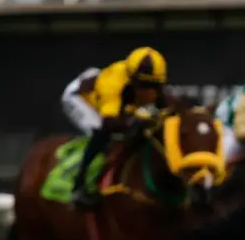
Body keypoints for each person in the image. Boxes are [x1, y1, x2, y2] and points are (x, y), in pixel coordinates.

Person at [62, 46, 169, 209]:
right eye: (143, 85)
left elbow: (165, 108)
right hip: (79, 97)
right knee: (100, 132)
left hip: (108, 89)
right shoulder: (113, 84)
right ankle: (79, 185)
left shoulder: (149, 80)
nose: (148, 92)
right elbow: (109, 123)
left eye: (153, 85)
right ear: (132, 79)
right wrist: (134, 122)